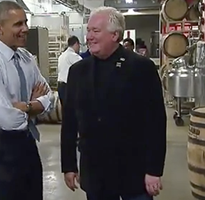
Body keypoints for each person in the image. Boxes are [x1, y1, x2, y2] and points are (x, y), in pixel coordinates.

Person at [60, 6, 167, 200]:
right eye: (88, 30)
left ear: (115, 35)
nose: (89, 36)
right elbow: (69, 122)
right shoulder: (78, 71)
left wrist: (154, 169)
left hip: (133, 172)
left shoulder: (141, 68)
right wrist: (68, 165)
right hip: (95, 174)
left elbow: (156, 123)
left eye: (96, 31)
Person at [0, 1, 53, 200]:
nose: (25, 29)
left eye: (25, 22)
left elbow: (49, 96)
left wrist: (24, 107)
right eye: (18, 24)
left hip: (27, 141)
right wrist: (33, 106)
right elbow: (8, 120)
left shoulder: (26, 58)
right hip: (1, 147)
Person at [57, 35, 82, 105]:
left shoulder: (62, 56)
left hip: (60, 86)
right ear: (76, 44)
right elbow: (84, 68)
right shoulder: (73, 56)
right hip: (68, 86)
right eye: (79, 46)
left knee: (65, 109)